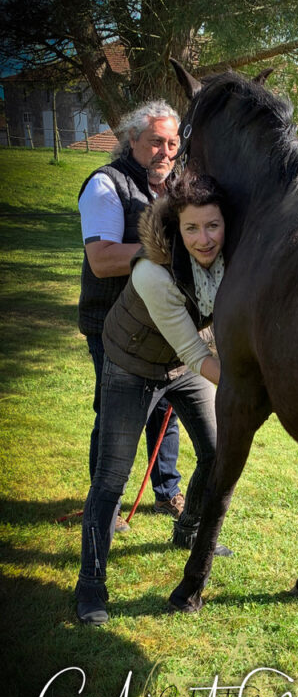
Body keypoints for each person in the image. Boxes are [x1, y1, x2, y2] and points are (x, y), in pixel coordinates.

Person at [75, 172, 232, 626]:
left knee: (218, 452)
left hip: (182, 368)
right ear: (175, 231)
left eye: (213, 226)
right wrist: (261, 389)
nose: (205, 239)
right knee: (111, 478)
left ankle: (188, 530)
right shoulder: (151, 270)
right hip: (132, 364)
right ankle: (90, 585)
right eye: (192, 229)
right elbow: (196, 351)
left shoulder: (230, 257)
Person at [78, 101, 184, 530]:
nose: (165, 152)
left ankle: (167, 492)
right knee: (116, 414)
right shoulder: (106, 184)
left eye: (173, 143)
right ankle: (108, 503)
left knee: (168, 412)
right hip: (111, 323)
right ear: (132, 140)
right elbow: (102, 259)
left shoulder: (179, 186)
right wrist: (164, 252)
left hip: (165, 323)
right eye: (156, 141)